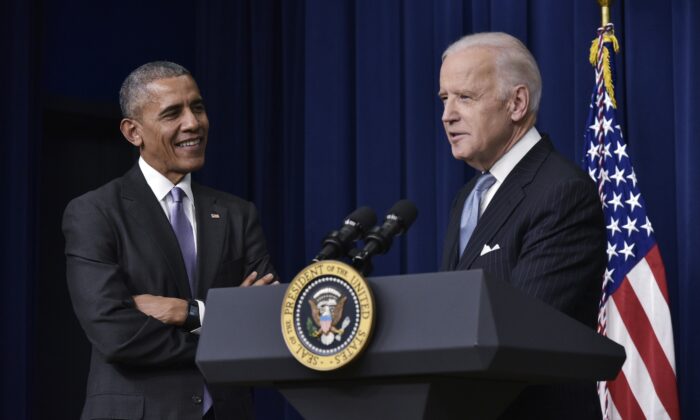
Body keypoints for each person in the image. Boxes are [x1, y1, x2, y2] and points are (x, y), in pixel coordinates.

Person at [63, 61, 276, 420]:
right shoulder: (95, 212)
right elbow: (116, 334)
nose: (193, 123)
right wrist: (223, 329)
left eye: (198, 107)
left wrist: (187, 312)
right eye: (172, 113)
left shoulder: (239, 214)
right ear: (133, 132)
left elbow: (266, 320)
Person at [438, 33, 606, 418]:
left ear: (516, 103)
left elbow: (523, 332)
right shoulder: (469, 196)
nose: (448, 114)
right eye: (444, 99)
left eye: (465, 97)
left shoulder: (562, 192)